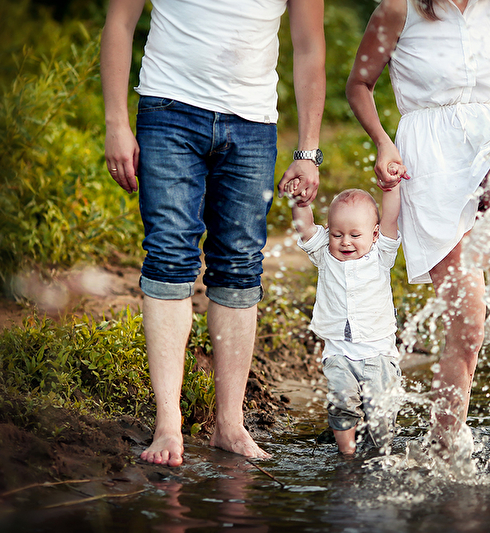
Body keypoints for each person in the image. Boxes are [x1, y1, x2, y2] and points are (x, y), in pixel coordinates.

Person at [100, 0, 325, 467]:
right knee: (168, 254)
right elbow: (120, 21)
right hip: (168, 109)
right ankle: (168, 423)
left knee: (240, 264)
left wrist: (309, 151)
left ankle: (230, 424)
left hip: (253, 123)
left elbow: (309, 47)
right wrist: (116, 122)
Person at [346, 0, 490, 453]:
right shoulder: (398, 9)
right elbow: (359, 84)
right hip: (431, 159)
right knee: (468, 325)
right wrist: (384, 143)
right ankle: (444, 449)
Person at [290, 178, 405, 455]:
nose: (345, 242)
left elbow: (391, 217)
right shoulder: (324, 255)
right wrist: (300, 201)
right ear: (328, 232)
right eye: (337, 234)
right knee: (341, 404)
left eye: (355, 235)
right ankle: (347, 455)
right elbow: (305, 228)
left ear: (374, 234)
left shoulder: (381, 254)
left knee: (381, 415)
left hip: (379, 354)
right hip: (339, 353)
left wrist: (391, 187)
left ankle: (380, 456)